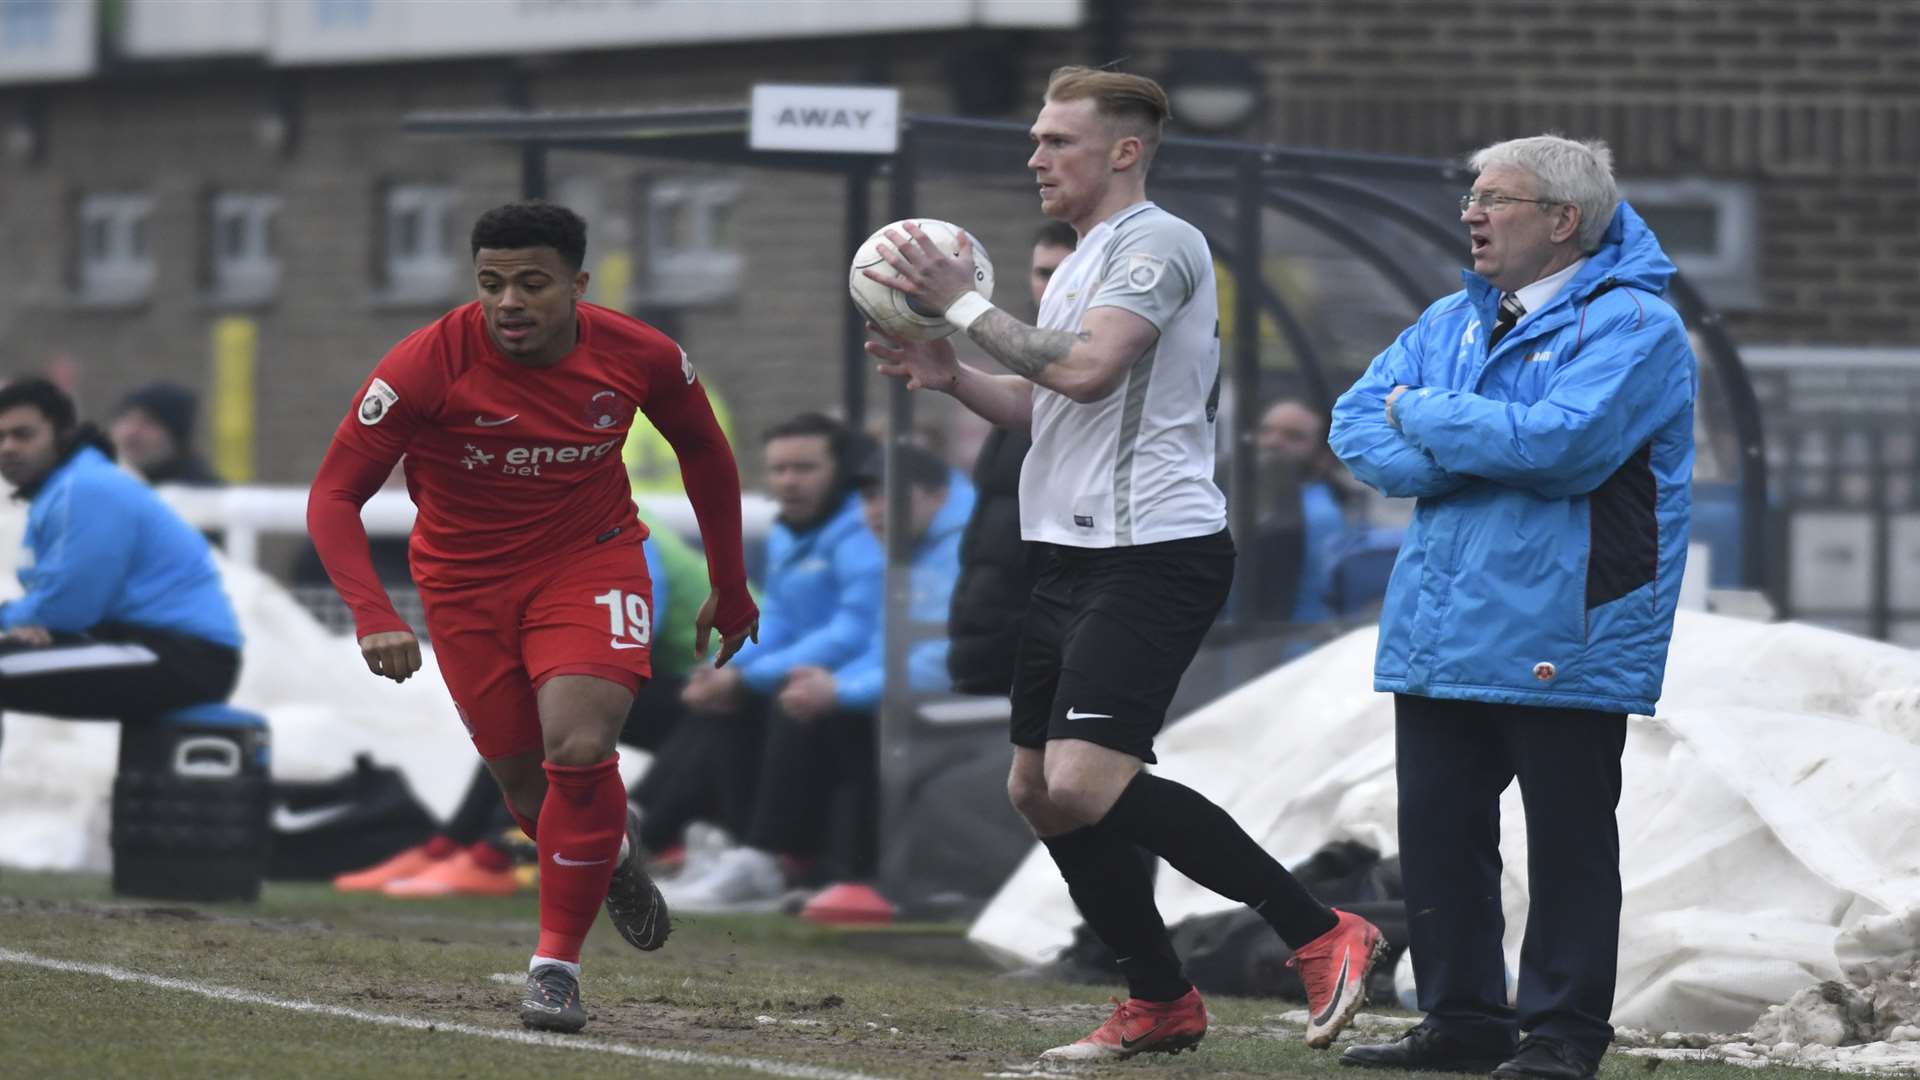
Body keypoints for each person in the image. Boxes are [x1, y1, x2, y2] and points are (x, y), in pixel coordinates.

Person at [863, 66, 1385, 1061]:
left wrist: (964, 306)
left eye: (1058, 139)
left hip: (1152, 552)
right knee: (1036, 790)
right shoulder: (1085, 259)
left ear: (1125, 150)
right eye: (1037, 137)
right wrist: (951, 374)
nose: (1036, 156)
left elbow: (1088, 369)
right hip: (1067, 558)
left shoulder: (1161, 243)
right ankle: (1159, 998)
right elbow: (1050, 400)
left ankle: (1321, 931)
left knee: (1087, 780)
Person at [305, 201, 758, 1034]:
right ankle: (611, 856)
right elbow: (334, 496)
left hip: (591, 560)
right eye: (490, 283)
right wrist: (373, 612)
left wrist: (729, 583)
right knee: (527, 787)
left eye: (531, 283)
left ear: (577, 286)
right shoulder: (424, 364)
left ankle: (555, 968)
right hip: (464, 588)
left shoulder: (641, 354)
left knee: (581, 749)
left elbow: (706, 451)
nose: (509, 302)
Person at [1327, 136, 1695, 1080]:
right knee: (1442, 839)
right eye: (1471, 197)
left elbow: (1561, 447)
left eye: (1496, 199)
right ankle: (1462, 1024)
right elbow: (1355, 422)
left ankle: (1565, 1036)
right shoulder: (1450, 318)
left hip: (1566, 622)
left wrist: (1428, 415)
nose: (1471, 215)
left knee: (1569, 844)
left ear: (1563, 220)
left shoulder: (1637, 329)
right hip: (1441, 621)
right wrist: (1452, 435)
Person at [665, 443, 971, 911]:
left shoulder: (956, 549)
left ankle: (778, 861)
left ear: (935, 496)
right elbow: (877, 643)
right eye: (868, 499)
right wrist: (754, 672)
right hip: (920, 694)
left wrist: (838, 688)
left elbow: (944, 654)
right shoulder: (904, 545)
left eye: (889, 496)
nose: (875, 512)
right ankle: (760, 856)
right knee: (773, 703)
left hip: (969, 705)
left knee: (810, 713)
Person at [334, 524, 713, 899]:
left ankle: (504, 854)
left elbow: (628, 633)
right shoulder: (551, 517)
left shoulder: (614, 525)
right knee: (525, 711)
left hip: (708, 686)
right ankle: (454, 846)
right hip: (685, 684)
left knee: (552, 705)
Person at [651, 414, 883, 869]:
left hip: (853, 682)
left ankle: (761, 855)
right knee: (719, 707)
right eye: (779, 469)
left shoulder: (863, 533)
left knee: (773, 704)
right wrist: (730, 669)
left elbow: (852, 632)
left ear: (839, 471)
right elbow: (776, 619)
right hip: (801, 676)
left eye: (805, 468)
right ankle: (719, 847)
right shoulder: (786, 532)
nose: (789, 481)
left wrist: (747, 679)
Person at [0, 378, 241, 752]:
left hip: (179, 656)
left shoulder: (86, 488)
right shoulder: (63, 488)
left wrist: (22, 620)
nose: (9, 448)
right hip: (147, 644)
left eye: (23, 435)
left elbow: (73, 600)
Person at [947, 221, 1075, 697]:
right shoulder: (1029, 380)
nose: (1051, 286)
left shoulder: (1112, 379)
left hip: (1061, 645)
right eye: (1043, 272)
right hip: (1000, 642)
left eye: (1066, 272)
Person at [1255, 398, 1352, 622]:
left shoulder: (1318, 515)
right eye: (1266, 431)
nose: (1273, 442)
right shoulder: (1244, 498)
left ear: (1324, 457)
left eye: (1293, 436)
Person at [109, 382, 224, 487]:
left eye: (148, 422)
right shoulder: (102, 485)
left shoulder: (204, 496)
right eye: (126, 419)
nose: (132, 432)